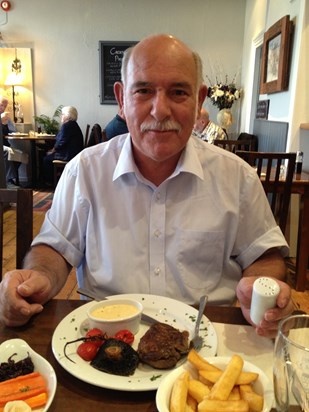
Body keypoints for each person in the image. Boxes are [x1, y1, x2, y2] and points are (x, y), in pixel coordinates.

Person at [0, 34, 295, 338]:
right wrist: (40, 277)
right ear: (122, 99)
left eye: (178, 92)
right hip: (103, 342)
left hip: (206, 344)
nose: (160, 110)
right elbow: (54, 248)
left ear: (199, 100)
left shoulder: (238, 178)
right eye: (143, 91)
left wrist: (261, 288)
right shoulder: (85, 171)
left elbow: (264, 256)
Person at [42, 105, 84, 184]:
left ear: (68, 116)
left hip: (68, 155)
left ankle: (50, 182)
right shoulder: (73, 125)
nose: (61, 116)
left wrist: (53, 150)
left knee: (46, 159)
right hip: (74, 153)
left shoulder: (67, 126)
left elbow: (61, 142)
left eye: (63, 114)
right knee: (47, 155)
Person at [0, 95, 21, 186]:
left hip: (5, 143)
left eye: (5, 106)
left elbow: (14, 131)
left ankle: (11, 178)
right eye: (1, 105)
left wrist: (8, 122)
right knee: (7, 153)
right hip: (2, 146)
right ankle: (9, 180)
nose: (3, 108)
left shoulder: (6, 117)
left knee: (20, 155)